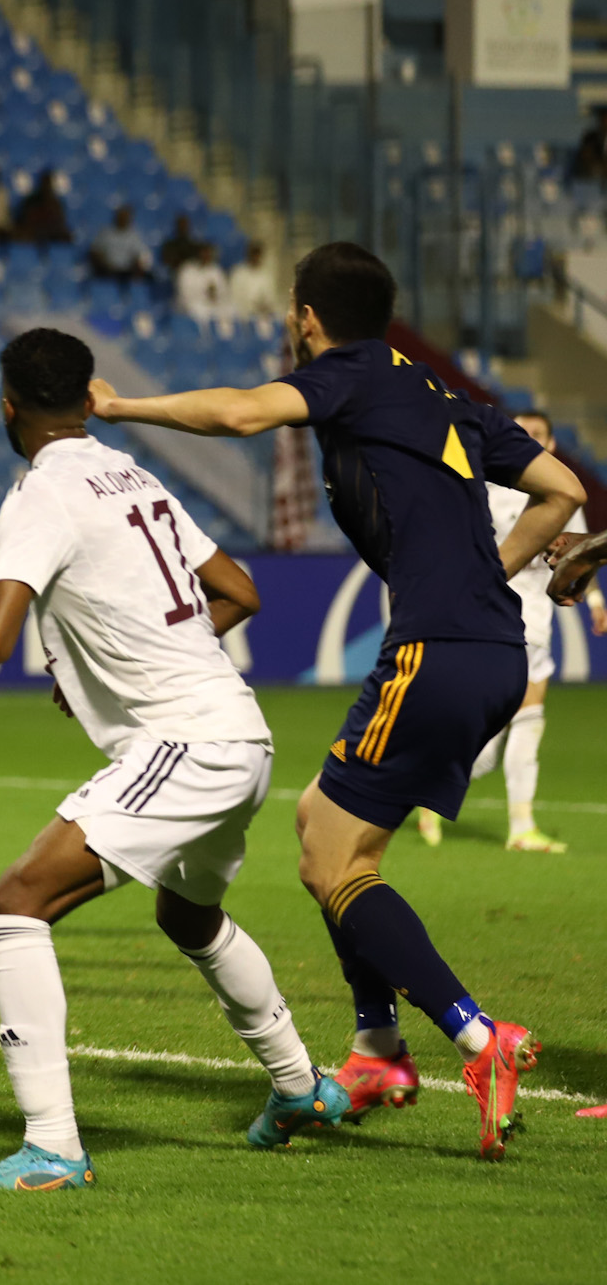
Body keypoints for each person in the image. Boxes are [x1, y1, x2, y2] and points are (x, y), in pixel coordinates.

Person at [92, 241, 584, 1161]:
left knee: (332, 861)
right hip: (490, 653)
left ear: (307, 317)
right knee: (332, 829)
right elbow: (563, 490)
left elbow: (241, 414)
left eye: (291, 310)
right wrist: (489, 578)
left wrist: (118, 406)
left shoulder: (350, 375)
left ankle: (481, 1043)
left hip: (435, 651)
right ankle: (377, 1047)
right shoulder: (442, 392)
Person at [0, 328, 349, 1190]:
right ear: (88, 397)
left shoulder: (41, 495)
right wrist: (112, 665)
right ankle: (301, 1088)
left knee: (16, 905)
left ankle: (53, 1149)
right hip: (242, 734)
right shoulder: (133, 474)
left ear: (7, 409)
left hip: (187, 742)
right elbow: (240, 592)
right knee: (188, 917)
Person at [426, 409, 573, 853]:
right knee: (510, 726)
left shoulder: (563, 493)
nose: (529, 440)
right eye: (521, 433)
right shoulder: (487, 491)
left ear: (551, 445)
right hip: (499, 619)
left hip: (538, 622)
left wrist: (594, 599)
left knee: (511, 730)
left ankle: (446, 797)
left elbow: (576, 555)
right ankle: (507, 821)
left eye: (538, 434)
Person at [89, 205, 151, 283]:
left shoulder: (134, 235)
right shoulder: (106, 233)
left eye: (125, 217)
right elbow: (94, 252)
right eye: (120, 216)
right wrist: (103, 264)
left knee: (149, 277)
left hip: (127, 272)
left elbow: (141, 256)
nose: (123, 219)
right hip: (108, 270)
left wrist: (138, 268)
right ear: (116, 216)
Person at [174, 241, 230, 324]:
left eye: (208, 254)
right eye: (203, 253)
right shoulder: (187, 270)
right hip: (190, 305)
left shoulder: (215, 270)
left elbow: (223, 290)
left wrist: (214, 296)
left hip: (211, 305)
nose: (206, 256)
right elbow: (185, 294)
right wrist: (205, 295)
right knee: (199, 311)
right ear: (198, 254)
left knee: (229, 310)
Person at [11, 170, 71, 247]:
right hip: (33, 232)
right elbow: (23, 220)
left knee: (66, 238)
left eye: (49, 183)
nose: (47, 186)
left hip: (50, 233)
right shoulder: (31, 200)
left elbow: (60, 223)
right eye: (45, 183)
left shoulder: (56, 203)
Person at [227, 241, 280, 320]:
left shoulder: (266, 274)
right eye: (253, 254)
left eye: (257, 254)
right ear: (248, 254)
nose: (255, 257)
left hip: (263, 314)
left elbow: (270, 297)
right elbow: (235, 298)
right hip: (244, 315)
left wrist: (265, 306)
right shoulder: (238, 273)